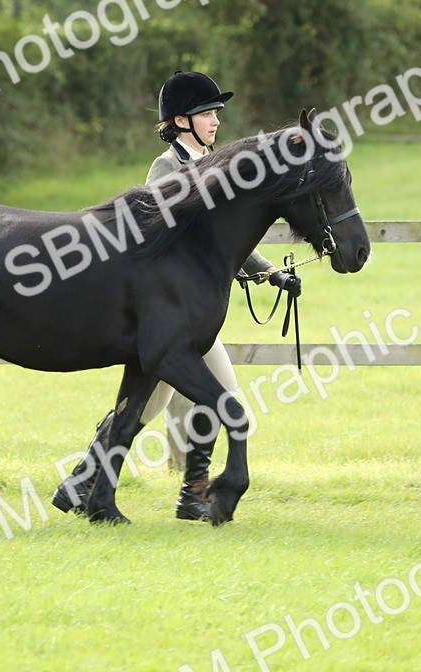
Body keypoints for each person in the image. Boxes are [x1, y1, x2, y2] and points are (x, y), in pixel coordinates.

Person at [51, 70, 301, 521]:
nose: (215, 121)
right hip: (165, 313)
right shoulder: (165, 169)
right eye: (207, 113)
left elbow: (226, 239)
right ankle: (160, 490)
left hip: (191, 316)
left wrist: (268, 274)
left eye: (216, 113)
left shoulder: (216, 164)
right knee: (189, 398)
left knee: (179, 398)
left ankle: (96, 482)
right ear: (181, 120)